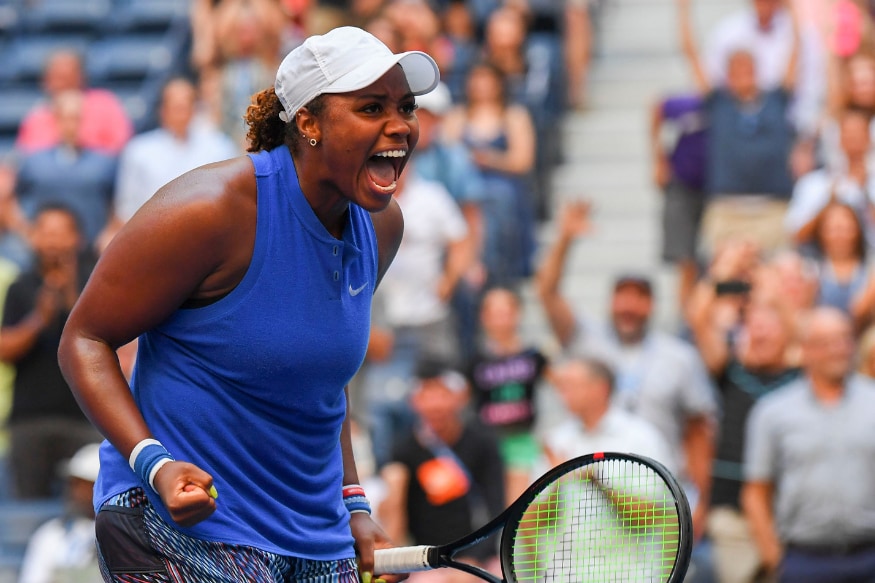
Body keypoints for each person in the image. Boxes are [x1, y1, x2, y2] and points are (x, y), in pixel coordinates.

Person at [57, 26, 440, 582]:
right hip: (178, 525)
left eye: (406, 107)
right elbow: (84, 339)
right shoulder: (209, 210)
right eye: (372, 107)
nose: (400, 126)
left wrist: (355, 507)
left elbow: (322, 383)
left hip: (316, 536)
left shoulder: (381, 228)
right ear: (308, 122)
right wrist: (155, 464)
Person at [536, 200, 718, 540]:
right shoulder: (587, 342)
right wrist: (565, 239)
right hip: (593, 498)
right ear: (611, 301)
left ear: (652, 305)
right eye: (622, 296)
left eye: (639, 297)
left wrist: (703, 498)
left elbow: (698, 431)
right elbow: (547, 293)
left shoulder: (679, 356)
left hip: (657, 494)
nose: (629, 306)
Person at [742, 307, 875, 581]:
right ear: (805, 350)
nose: (838, 349)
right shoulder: (773, 411)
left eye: (843, 339)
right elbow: (755, 491)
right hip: (804, 560)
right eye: (826, 342)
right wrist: (774, 557)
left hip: (868, 553)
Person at [679, 0, 799, 257]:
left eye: (748, 68)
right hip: (727, 208)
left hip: (772, 207)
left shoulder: (776, 99)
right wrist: (683, 10)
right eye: (736, 69)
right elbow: (691, 53)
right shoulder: (718, 103)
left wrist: (792, 13)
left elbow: (795, 54)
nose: (743, 74)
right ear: (727, 75)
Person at [0, 203, 99, 499]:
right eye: (45, 232)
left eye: (61, 233)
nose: (53, 241)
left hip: (85, 416)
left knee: (92, 505)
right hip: (30, 419)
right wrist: (38, 320)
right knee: (27, 511)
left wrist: (69, 294)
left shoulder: (94, 283)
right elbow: (5, 349)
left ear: (77, 238)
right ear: (34, 237)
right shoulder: (20, 286)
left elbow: (98, 337)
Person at [379, 358, 505, 583]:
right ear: (414, 401)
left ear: (462, 397)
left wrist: (472, 561)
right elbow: (397, 519)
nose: (435, 405)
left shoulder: (482, 442)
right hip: (428, 561)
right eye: (426, 395)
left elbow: (496, 507)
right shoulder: (404, 450)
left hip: (479, 558)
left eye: (442, 394)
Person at [98, 78, 238, 251]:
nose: (181, 113)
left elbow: (229, 202)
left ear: (195, 109)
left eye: (186, 106)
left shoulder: (220, 147)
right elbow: (126, 207)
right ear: (163, 110)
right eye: (175, 107)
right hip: (151, 235)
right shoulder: (138, 150)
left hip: (207, 236)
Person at [466, 287, 548, 503]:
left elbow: (562, 388)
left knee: (520, 505)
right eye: (494, 313)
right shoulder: (474, 360)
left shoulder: (534, 356)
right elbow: (462, 398)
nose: (500, 320)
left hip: (522, 439)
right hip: (487, 441)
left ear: (518, 314)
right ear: (483, 318)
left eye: (506, 312)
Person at [14, 90, 117, 253]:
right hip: (43, 252)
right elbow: (15, 199)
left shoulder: (105, 163)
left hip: (91, 250)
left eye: (77, 118)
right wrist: (28, 232)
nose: (71, 125)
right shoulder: (33, 162)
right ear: (55, 119)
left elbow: (116, 203)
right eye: (65, 117)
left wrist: (109, 232)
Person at [15, 50, 132, 155]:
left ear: (82, 77)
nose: (63, 84)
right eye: (58, 77)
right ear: (46, 81)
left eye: (69, 77)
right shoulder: (37, 116)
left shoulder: (105, 103)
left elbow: (121, 145)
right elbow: (28, 158)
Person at [17, 442, 102, 583]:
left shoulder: (121, 534)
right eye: (73, 483)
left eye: (84, 484)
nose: (75, 492)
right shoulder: (50, 534)